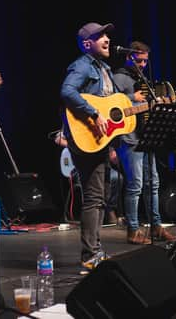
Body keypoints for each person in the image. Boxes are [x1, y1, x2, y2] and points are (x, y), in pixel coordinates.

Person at [60, 21, 116, 271]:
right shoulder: (82, 66)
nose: (107, 39)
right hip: (84, 138)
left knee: (101, 196)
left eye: (107, 35)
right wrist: (93, 114)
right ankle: (90, 253)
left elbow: (109, 105)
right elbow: (67, 91)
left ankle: (96, 250)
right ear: (87, 44)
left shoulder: (104, 67)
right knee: (94, 197)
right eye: (100, 36)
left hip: (99, 140)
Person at [113, 41, 176, 244]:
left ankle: (156, 226)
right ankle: (133, 229)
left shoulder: (141, 79)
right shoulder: (118, 77)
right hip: (128, 138)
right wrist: (132, 97)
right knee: (135, 185)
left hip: (145, 136)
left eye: (145, 61)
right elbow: (111, 106)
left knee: (153, 184)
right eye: (139, 60)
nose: (142, 64)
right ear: (128, 57)